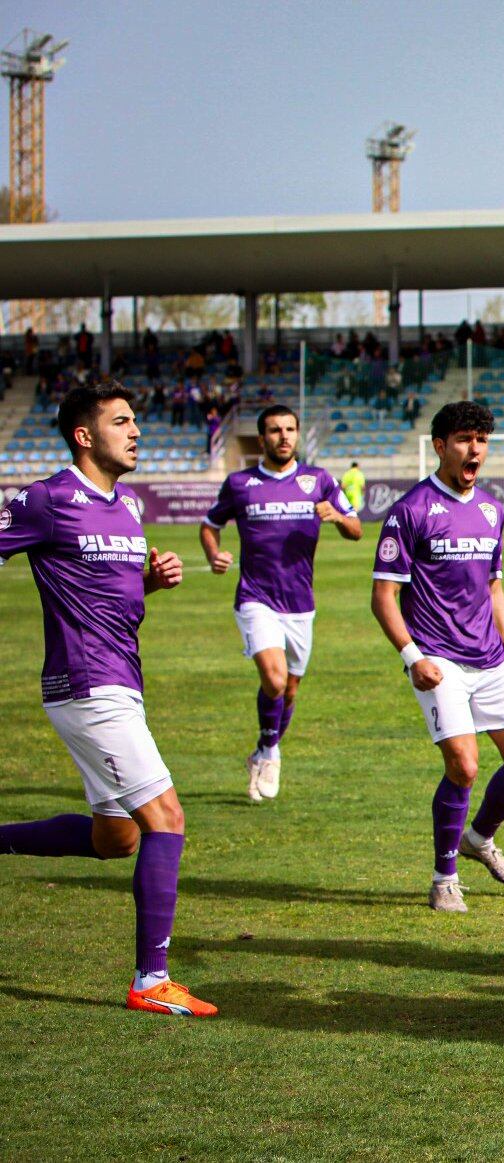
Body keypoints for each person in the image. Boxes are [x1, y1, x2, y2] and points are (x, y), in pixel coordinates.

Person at [0, 379, 216, 1017]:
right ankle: (151, 980)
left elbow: (105, 598)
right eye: (122, 421)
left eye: (136, 420)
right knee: (167, 817)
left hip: (120, 678)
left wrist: (148, 584)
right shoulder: (46, 499)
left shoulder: (125, 507)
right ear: (84, 435)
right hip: (86, 683)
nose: (136, 430)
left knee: (114, 839)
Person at [371, 402, 504, 913]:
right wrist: (411, 656)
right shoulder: (411, 510)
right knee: (464, 766)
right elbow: (383, 597)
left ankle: (479, 838)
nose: (476, 450)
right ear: (441, 446)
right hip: (439, 661)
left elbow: (494, 590)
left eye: (482, 440)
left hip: (491, 659)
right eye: (466, 439)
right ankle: (444, 877)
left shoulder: (492, 510)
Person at [200, 406, 363, 801]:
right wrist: (213, 555)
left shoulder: (318, 480)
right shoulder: (240, 484)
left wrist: (337, 518)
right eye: (275, 430)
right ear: (262, 439)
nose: (284, 436)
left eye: (290, 429)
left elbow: (356, 529)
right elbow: (210, 525)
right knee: (273, 678)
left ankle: (261, 748)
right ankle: (272, 753)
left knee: (289, 690)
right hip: (256, 597)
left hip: (301, 603)